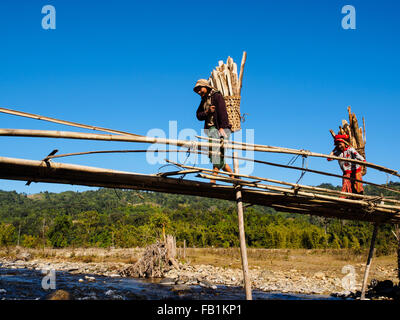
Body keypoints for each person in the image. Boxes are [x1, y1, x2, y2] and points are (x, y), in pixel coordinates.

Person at [193, 79, 233, 183]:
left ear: (206, 87)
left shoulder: (216, 96)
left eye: (200, 89)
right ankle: (233, 177)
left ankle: (213, 178)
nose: (198, 92)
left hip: (220, 129)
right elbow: (198, 115)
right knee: (214, 154)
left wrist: (222, 128)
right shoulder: (203, 100)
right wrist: (207, 111)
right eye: (197, 90)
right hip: (211, 129)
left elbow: (223, 112)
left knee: (217, 153)